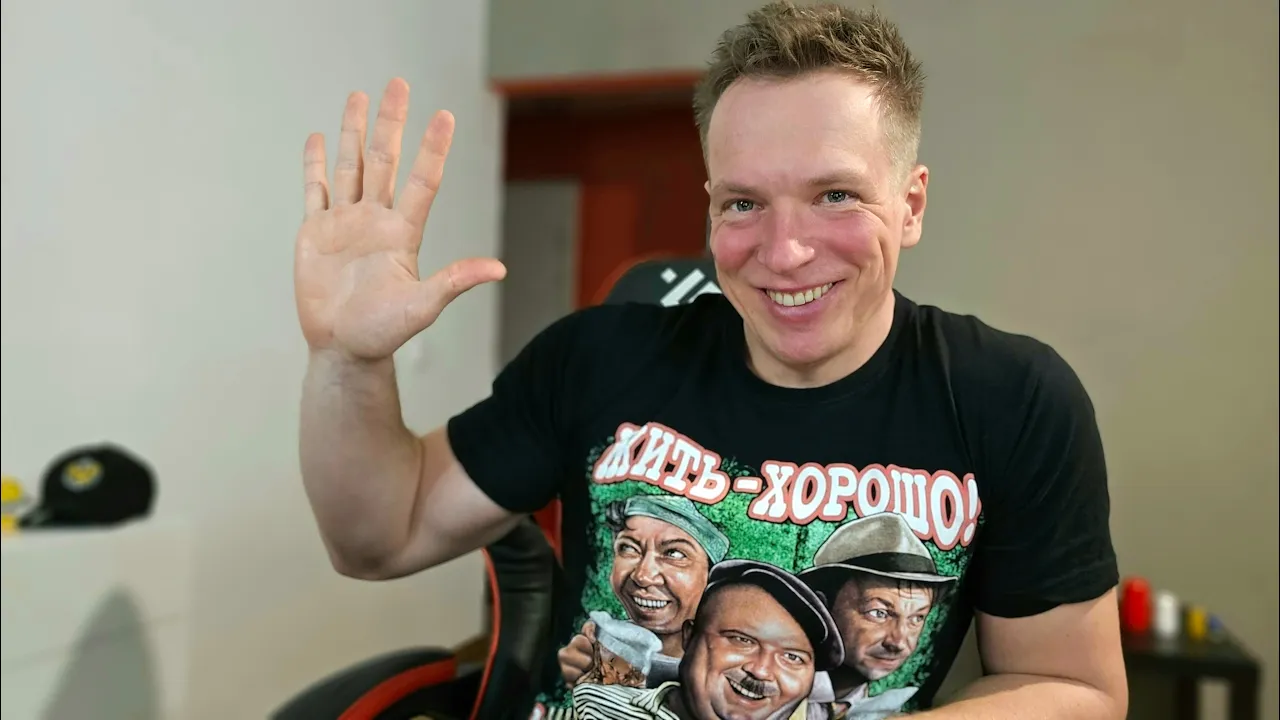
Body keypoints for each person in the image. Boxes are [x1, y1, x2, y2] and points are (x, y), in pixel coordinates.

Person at [292, 2, 1128, 718]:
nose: (785, 250)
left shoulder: (1009, 399)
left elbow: (1073, 687)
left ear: (909, 205)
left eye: (835, 194)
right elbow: (378, 537)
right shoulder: (599, 359)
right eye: (744, 203)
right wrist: (346, 359)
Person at [570, 559, 843, 720]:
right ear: (689, 637)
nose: (761, 671)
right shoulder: (596, 707)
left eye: (792, 657)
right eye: (741, 640)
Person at [559, 494, 732, 685]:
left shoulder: (728, 669)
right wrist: (576, 668)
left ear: (710, 576)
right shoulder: (604, 640)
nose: (642, 576)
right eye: (628, 548)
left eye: (674, 554)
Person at [799, 513, 956, 719]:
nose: (898, 643)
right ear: (822, 604)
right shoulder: (769, 686)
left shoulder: (893, 707)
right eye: (879, 613)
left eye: (917, 618)